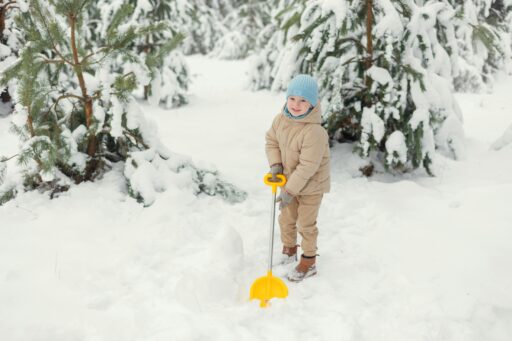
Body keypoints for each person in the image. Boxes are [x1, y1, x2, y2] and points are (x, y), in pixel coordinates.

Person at [265, 74, 331, 282]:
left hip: (311, 187)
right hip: (289, 183)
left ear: (313, 103)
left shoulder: (315, 132)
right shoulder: (280, 120)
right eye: (292, 98)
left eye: (303, 100)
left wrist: (290, 191)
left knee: (305, 224)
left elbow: (307, 167)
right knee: (286, 219)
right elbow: (271, 142)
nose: (296, 104)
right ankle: (289, 249)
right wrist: (276, 165)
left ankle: (309, 261)